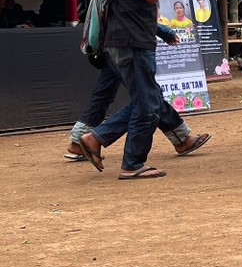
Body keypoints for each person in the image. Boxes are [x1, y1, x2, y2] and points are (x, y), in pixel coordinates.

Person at [75, 0, 179, 179]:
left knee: (148, 100)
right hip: (132, 40)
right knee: (147, 104)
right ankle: (130, 163)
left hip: (125, 38)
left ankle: (96, 139)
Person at [64, 22, 210, 162]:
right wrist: (164, 31)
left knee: (105, 94)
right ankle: (181, 139)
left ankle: (79, 141)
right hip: (127, 45)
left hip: (111, 44)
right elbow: (135, 14)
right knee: (149, 96)